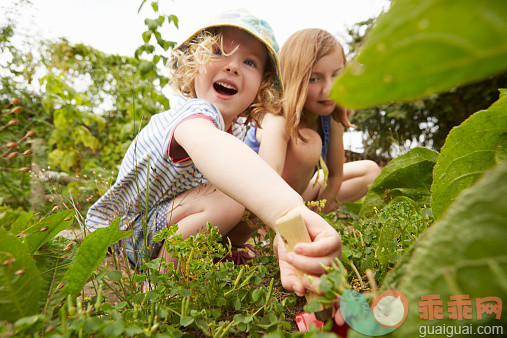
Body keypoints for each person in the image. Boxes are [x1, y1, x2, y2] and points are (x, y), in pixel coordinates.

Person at [85, 10, 341, 296]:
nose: (232, 66)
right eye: (218, 51)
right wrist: (286, 211)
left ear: (262, 87)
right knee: (231, 198)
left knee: (241, 190)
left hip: (154, 228)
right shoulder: (195, 112)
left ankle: (209, 256)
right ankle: (158, 286)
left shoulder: (236, 134)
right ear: (192, 66)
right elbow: (206, 143)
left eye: (249, 62)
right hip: (122, 234)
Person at [244, 28, 381, 214]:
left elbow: (335, 176)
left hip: (295, 195)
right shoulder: (276, 120)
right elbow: (267, 184)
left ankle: (305, 217)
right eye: (315, 79)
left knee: (371, 171)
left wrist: (318, 212)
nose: (328, 89)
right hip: (252, 202)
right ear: (294, 81)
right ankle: (271, 227)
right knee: (308, 143)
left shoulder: (331, 118)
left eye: (336, 75)